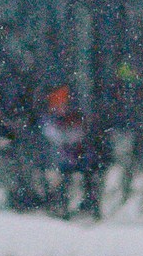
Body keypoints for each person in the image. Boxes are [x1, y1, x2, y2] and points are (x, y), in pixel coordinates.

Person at [40, 85, 107, 220]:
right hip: (66, 156)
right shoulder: (52, 119)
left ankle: (87, 206)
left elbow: (81, 132)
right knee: (65, 180)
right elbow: (53, 133)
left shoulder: (77, 115)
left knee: (87, 178)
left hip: (81, 155)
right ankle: (62, 206)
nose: (61, 108)